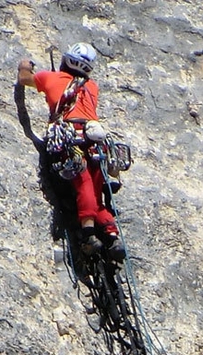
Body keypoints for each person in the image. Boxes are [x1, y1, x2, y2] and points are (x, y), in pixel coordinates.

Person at [17, 42, 125, 262]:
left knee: (83, 182)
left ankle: (89, 236)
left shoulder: (50, 78)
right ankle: (112, 235)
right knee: (96, 192)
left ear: (66, 60)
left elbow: (24, 80)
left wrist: (24, 66)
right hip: (94, 142)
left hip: (69, 139)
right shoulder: (92, 87)